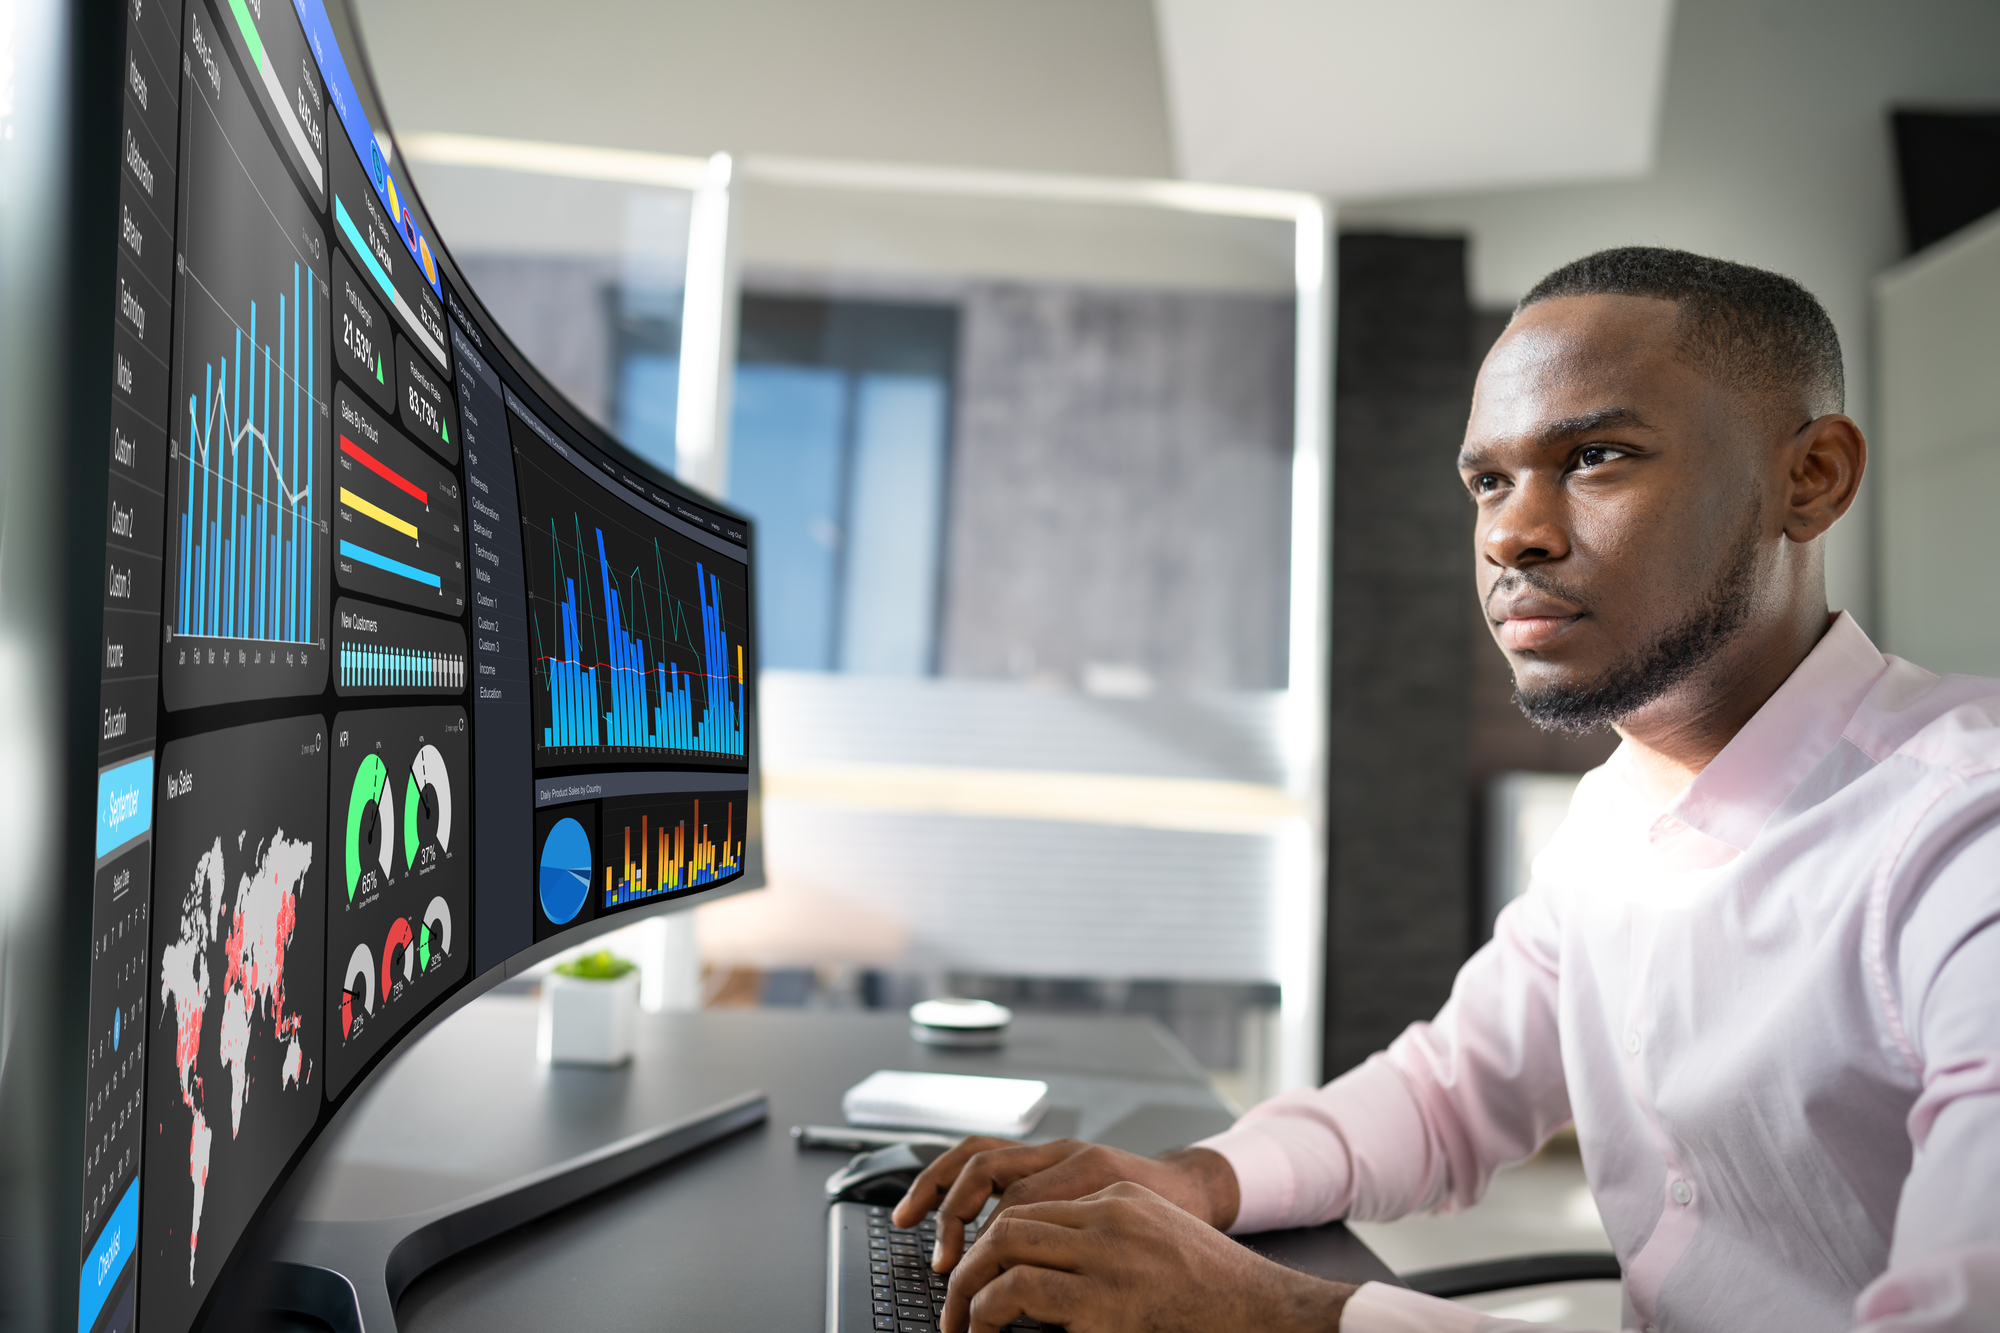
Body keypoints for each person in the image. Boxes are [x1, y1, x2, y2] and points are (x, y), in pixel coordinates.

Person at [892, 247, 2000, 1333]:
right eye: (1486, 480)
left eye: (1595, 456)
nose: (1511, 533)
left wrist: (1283, 1314)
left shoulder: (1963, 835)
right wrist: (1184, 1182)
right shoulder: (1612, 822)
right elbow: (1442, 1093)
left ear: (1809, 479)